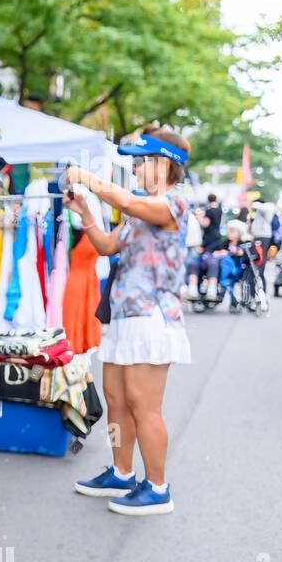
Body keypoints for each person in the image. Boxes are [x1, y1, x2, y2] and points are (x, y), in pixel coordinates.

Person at [66, 128, 192, 516]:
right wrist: (86, 213)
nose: (135, 169)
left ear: (164, 164)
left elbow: (122, 199)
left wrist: (89, 179)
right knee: (118, 401)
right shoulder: (139, 208)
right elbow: (106, 246)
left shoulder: (173, 204)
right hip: (123, 316)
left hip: (152, 317)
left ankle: (157, 487)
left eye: (141, 162)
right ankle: (122, 473)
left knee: (143, 405)